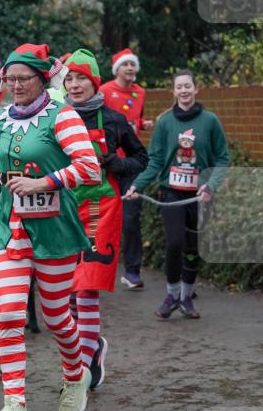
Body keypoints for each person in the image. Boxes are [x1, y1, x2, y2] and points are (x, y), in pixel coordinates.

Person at [0, 43, 100, 411]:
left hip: (54, 229)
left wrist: (44, 181)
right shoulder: (8, 119)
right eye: (8, 79)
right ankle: (15, 403)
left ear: (41, 79)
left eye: (22, 79)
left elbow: (89, 169)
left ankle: (76, 375)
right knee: (10, 312)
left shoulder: (62, 116)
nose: (14, 86)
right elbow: (6, 170)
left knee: (57, 314)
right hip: (11, 227)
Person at [63, 49, 148, 388]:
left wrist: (115, 163)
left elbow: (141, 159)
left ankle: (85, 367)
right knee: (66, 291)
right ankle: (93, 346)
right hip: (66, 206)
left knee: (87, 287)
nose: (74, 84)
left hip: (101, 207)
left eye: (81, 77)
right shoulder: (56, 117)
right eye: (69, 78)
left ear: (94, 80)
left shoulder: (113, 119)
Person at [126, 70, 229, 319]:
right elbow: (155, 160)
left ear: (196, 90)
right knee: (174, 243)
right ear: (174, 92)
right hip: (171, 193)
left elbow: (222, 158)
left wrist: (211, 185)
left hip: (200, 195)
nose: (183, 91)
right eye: (179, 87)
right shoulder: (165, 123)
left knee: (192, 248)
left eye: (187, 86)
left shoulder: (210, 121)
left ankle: (186, 298)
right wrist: (137, 186)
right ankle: (171, 294)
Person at [99, 48, 154, 290]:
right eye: (126, 65)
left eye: (133, 64)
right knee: (102, 218)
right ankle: (98, 266)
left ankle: (132, 271)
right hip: (108, 164)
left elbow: (133, 120)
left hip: (131, 164)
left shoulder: (141, 92)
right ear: (117, 69)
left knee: (131, 219)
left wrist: (143, 124)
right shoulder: (104, 91)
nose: (130, 68)